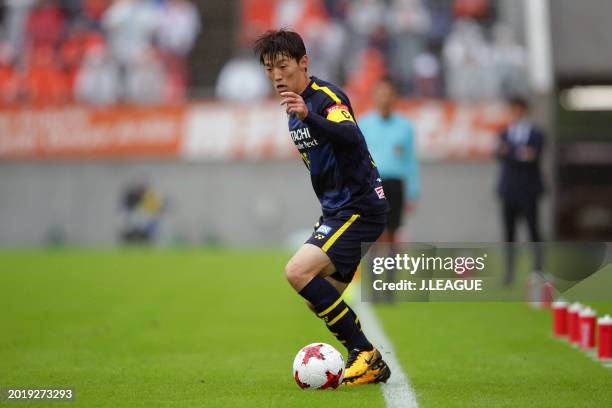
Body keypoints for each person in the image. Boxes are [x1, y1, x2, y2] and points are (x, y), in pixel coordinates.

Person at [253, 29, 391, 386]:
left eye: (283, 66)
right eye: (269, 69)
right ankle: (370, 362)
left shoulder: (324, 98)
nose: (276, 76)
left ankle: (365, 353)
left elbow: (351, 137)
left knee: (297, 272)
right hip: (339, 211)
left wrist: (310, 117)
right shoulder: (294, 108)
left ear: (303, 62)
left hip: (359, 208)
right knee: (317, 300)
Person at [360, 77, 420, 245]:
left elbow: (410, 160)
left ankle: (391, 270)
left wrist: (413, 191)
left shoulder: (405, 126)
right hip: (372, 184)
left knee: (394, 232)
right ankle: (374, 270)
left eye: (388, 94)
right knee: (373, 231)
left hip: (395, 184)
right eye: (381, 94)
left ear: (394, 97)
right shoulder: (364, 124)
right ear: (374, 96)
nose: (385, 99)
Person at [496, 97, 544, 285]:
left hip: (529, 189)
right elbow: (500, 155)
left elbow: (534, 156)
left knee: (534, 231)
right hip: (509, 190)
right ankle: (509, 273)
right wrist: (520, 154)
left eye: (519, 109)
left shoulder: (537, 134)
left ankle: (538, 270)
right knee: (509, 235)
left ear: (524, 110)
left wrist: (511, 153)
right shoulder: (504, 133)